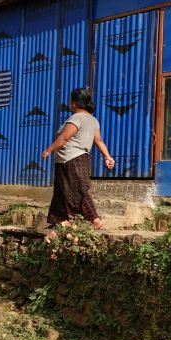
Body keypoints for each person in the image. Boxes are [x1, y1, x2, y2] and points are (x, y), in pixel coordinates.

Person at [41, 87, 115, 232]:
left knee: (79, 190)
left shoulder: (76, 118)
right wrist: (107, 156)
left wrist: (48, 150)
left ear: (74, 103)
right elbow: (99, 141)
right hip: (81, 158)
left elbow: (64, 137)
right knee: (62, 191)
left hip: (70, 159)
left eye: (71, 101)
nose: (69, 103)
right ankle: (63, 221)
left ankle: (95, 220)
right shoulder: (93, 120)